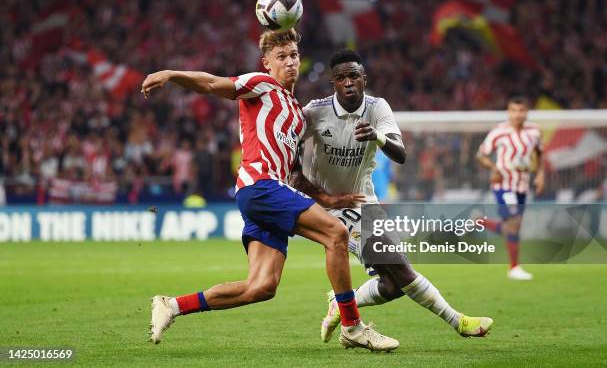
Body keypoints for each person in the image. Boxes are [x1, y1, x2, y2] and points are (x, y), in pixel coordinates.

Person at [141, 30, 398, 351]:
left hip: (268, 192)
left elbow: (295, 176)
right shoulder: (261, 85)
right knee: (336, 234)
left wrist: (330, 198)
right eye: (281, 57)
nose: (289, 62)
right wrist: (171, 74)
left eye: (293, 56)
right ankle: (352, 326)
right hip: (260, 185)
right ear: (267, 64)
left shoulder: (296, 115)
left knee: (261, 287)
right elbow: (210, 83)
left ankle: (172, 304)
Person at [292, 49, 493, 343]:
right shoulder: (314, 111)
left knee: (393, 283)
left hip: (364, 200)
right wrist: (320, 196)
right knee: (400, 267)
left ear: (364, 78)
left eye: (354, 76)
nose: (348, 82)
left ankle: (343, 305)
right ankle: (458, 321)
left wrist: (377, 135)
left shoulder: (377, 107)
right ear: (333, 83)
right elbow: (290, 158)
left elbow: (400, 153)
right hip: (332, 205)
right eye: (341, 78)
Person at [476, 97, 545, 280]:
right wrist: (494, 168)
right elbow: (481, 154)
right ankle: (514, 268)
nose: (517, 114)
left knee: (513, 227)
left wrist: (540, 175)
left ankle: (480, 221)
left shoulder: (535, 132)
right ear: (508, 112)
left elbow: (539, 154)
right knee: (513, 224)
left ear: (526, 112)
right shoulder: (500, 132)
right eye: (513, 110)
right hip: (503, 184)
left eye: (521, 110)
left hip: (522, 185)